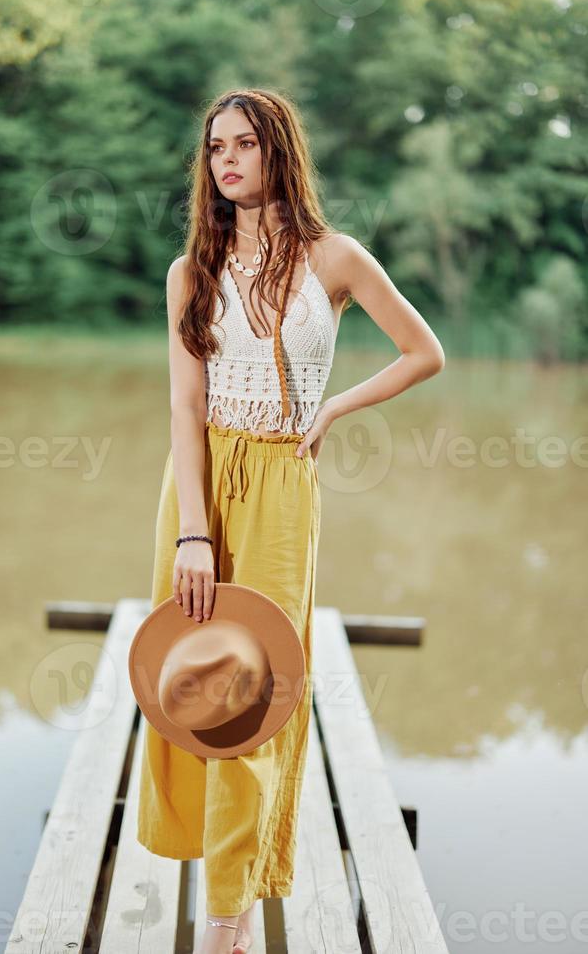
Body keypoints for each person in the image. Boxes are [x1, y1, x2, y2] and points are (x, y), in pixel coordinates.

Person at [137, 87, 445, 954]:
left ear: (278, 152)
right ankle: (214, 884)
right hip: (195, 490)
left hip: (281, 485)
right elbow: (183, 409)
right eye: (214, 147)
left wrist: (335, 407)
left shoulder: (334, 258)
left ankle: (225, 925)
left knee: (253, 700)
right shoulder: (190, 271)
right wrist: (193, 531)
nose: (225, 159)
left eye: (243, 143)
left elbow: (424, 352)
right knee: (194, 685)